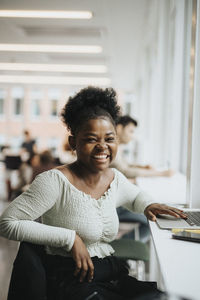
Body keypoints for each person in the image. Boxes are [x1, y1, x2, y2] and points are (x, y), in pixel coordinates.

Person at [0, 87, 186, 300]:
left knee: (165, 296)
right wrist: (69, 238)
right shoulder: (55, 181)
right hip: (72, 280)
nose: (102, 147)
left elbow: (135, 197)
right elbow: (7, 222)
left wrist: (148, 205)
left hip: (110, 273)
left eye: (109, 138)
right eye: (91, 139)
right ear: (73, 143)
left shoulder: (114, 178)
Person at [111, 115, 174, 181]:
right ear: (119, 128)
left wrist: (142, 167)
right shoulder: (111, 147)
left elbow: (125, 165)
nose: (132, 136)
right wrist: (161, 173)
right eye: (131, 131)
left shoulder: (118, 147)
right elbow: (125, 171)